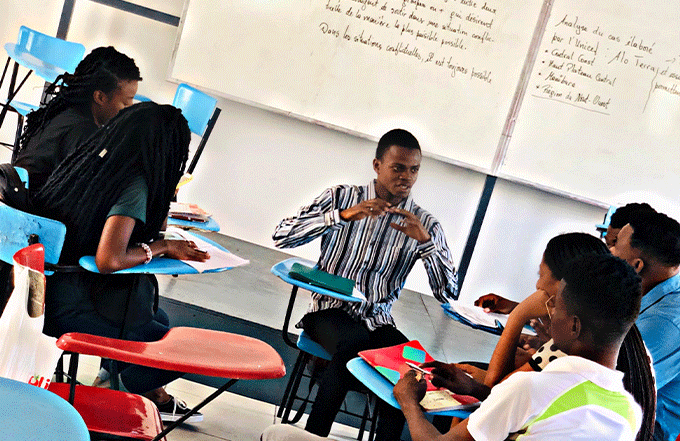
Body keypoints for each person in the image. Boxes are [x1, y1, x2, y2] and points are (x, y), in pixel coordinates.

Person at [272, 128, 458, 440]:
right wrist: (343, 216)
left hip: (378, 320)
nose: (406, 177)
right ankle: (314, 435)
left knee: (408, 373)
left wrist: (426, 244)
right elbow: (282, 235)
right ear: (377, 165)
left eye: (414, 170)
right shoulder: (341, 197)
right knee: (353, 344)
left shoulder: (425, 224)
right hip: (327, 311)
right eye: (398, 168)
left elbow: (448, 292)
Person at [34, 102, 209, 422]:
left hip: (44, 292)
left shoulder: (92, 161)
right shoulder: (134, 186)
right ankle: (119, 393)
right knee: (174, 346)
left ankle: (132, 387)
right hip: (70, 307)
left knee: (154, 314)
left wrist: (163, 195)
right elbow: (109, 259)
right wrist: (163, 246)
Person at [394, 254, 644, 441]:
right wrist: (476, 390)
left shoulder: (530, 388)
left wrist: (409, 402)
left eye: (557, 307)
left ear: (574, 326)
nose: (551, 312)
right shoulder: (629, 415)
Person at [13, 46, 141, 195]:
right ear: (100, 97)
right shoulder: (83, 132)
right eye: (125, 103)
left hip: (19, 197)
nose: (130, 108)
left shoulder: (65, 112)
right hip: (34, 205)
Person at [612, 211, 680, 441]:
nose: (610, 252)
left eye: (615, 246)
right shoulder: (648, 295)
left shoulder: (666, 322)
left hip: (645, 432)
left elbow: (615, 389)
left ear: (637, 265)